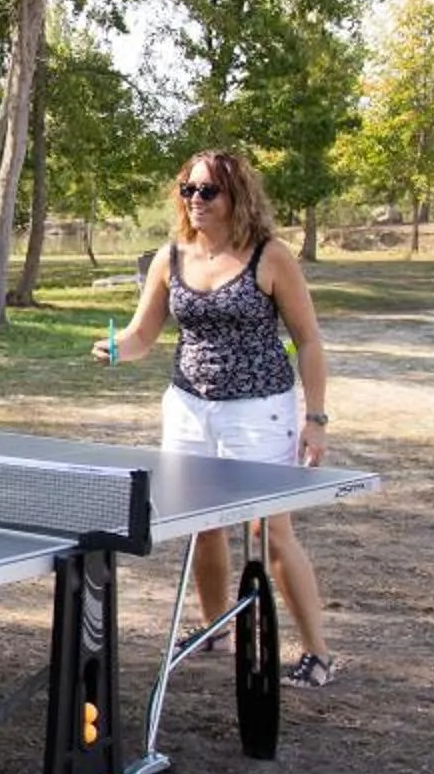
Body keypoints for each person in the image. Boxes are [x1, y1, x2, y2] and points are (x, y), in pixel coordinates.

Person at [91, 147, 340, 688]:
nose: (196, 201)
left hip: (259, 409)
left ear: (236, 197)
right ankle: (214, 629)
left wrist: (315, 416)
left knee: (270, 530)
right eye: (188, 190)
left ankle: (318, 651)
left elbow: (309, 340)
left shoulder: (270, 256)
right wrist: (116, 349)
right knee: (202, 526)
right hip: (187, 406)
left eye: (208, 191)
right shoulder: (170, 257)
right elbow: (142, 335)